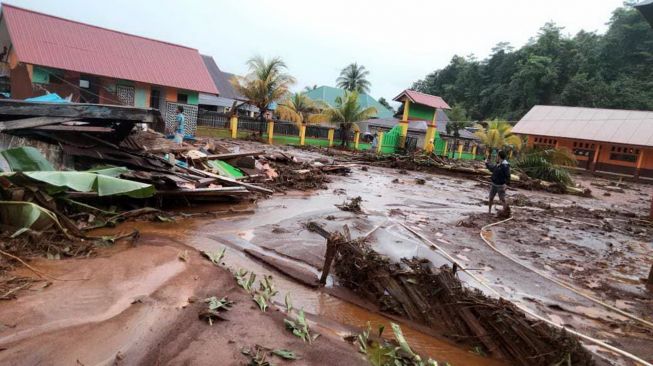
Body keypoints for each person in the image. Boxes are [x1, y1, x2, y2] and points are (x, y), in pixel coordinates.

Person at [486, 150, 511, 215]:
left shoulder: (505, 166)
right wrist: (487, 164)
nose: (496, 156)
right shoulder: (498, 164)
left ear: (499, 156)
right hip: (494, 184)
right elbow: (492, 169)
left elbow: (508, 176)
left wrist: (506, 185)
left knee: (502, 199)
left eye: (497, 155)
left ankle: (506, 212)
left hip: (501, 186)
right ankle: (489, 211)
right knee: (491, 198)